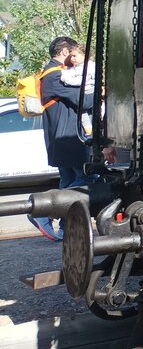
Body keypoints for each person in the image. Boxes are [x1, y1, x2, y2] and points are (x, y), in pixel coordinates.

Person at [28, 37, 88, 240]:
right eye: (73, 54)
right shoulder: (55, 76)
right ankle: (42, 212)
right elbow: (84, 101)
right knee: (87, 179)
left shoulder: (51, 74)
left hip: (60, 138)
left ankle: (65, 228)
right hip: (67, 138)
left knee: (69, 181)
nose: (74, 58)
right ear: (64, 52)